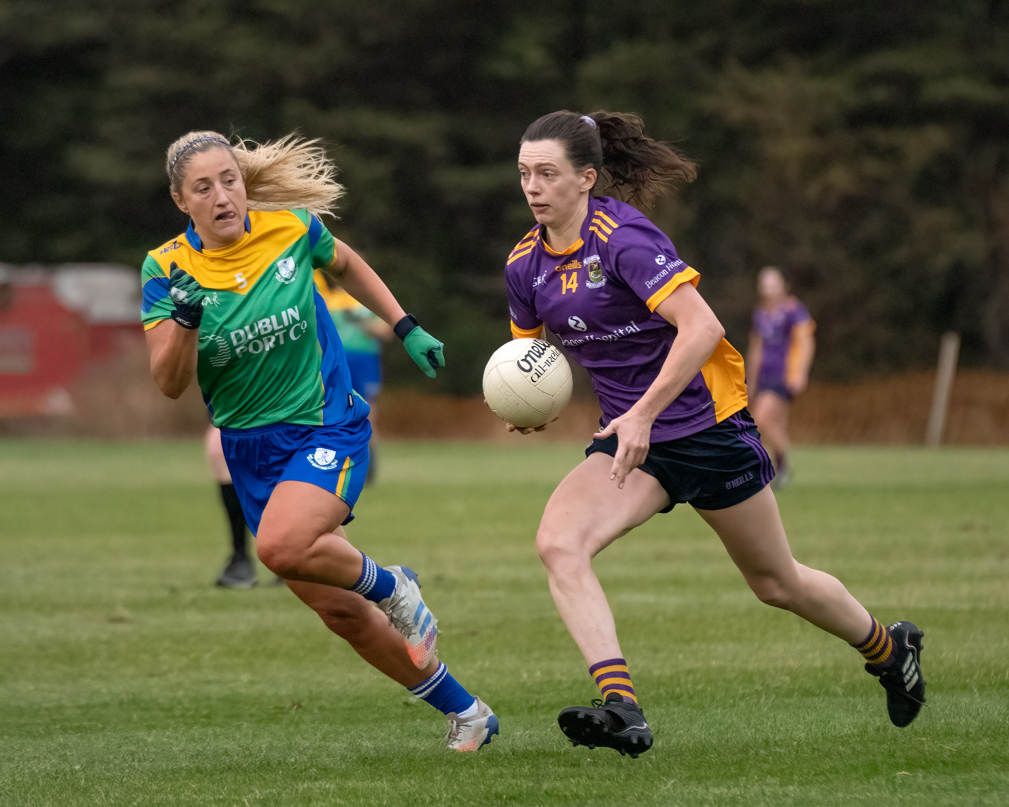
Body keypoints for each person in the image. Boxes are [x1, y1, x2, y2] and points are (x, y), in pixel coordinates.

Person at [503, 110, 924, 757]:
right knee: (559, 543)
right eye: (525, 172)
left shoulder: (624, 240)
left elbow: (699, 328)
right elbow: (531, 361)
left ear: (586, 178)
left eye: (548, 173)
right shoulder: (525, 265)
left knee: (776, 583)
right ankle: (623, 709)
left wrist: (643, 410)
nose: (533, 186)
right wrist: (530, 406)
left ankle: (889, 649)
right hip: (631, 443)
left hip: (706, 427)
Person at [141, 130, 498, 751]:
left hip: (326, 422)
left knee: (279, 548)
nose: (224, 195)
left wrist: (404, 323)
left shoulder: (289, 228)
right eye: (204, 187)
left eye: (230, 179)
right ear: (181, 200)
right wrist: (185, 322)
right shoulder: (165, 269)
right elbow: (170, 383)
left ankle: (394, 587)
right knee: (340, 613)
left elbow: (348, 264)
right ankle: (466, 712)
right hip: (249, 448)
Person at [315, 272, 392, 481]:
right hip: (339, 362)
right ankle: (337, 466)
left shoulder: (370, 299)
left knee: (368, 415)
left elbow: (387, 331)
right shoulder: (331, 299)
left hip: (366, 362)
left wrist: (361, 321)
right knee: (337, 414)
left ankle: (369, 469)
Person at [746, 266, 815, 487]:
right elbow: (755, 350)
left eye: (773, 283)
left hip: (783, 376)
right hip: (765, 377)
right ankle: (781, 468)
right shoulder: (760, 314)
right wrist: (750, 382)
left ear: (784, 285)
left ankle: (771, 468)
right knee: (775, 424)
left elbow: (806, 342)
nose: (769, 289)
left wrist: (800, 373)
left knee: (761, 420)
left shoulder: (794, 310)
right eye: (765, 284)